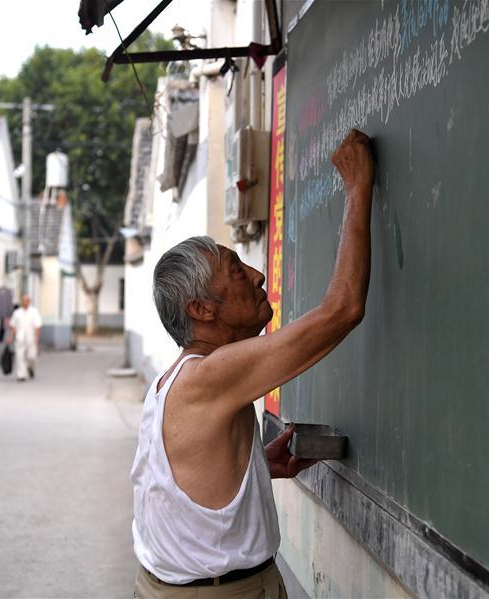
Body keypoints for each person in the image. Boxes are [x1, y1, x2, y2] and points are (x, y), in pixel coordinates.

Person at [131, 129, 374, 598]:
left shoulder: (175, 380)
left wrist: (259, 465)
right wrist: (358, 186)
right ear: (202, 310)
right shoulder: (208, 376)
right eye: (238, 272)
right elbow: (342, 310)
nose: (259, 275)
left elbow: (183, 485)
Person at [7, 294, 42, 382]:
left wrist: (37, 338)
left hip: (31, 337)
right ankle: (21, 375)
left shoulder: (34, 312)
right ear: (21, 302)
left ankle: (30, 367)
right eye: (23, 300)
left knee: (32, 356)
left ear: (29, 301)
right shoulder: (17, 313)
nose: (25, 302)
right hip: (20, 337)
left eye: (27, 300)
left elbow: (38, 326)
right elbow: (13, 326)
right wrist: (11, 337)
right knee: (19, 356)